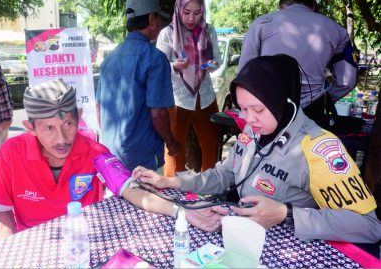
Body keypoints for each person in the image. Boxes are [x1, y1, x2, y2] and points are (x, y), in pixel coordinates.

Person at [133, 55, 381, 243]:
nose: (248, 119)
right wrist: (171, 182)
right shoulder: (254, 130)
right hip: (244, 242)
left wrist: (287, 214)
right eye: (243, 108)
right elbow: (225, 175)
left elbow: (370, 226)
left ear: (283, 102)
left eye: (258, 109)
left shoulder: (319, 148)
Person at [0, 80, 224, 239]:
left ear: (79, 117)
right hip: (33, 242)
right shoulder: (10, 153)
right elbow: (1, 211)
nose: (62, 138)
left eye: (68, 123)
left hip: (81, 243)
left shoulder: (93, 151)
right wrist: (13, 249)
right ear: (30, 128)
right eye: (49, 128)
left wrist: (181, 211)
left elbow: (135, 192)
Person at [237, 0, 357, 130]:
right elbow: (347, 81)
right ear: (313, 5)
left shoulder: (262, 23)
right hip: (311, 110)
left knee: (264, 150)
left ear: (282, 5)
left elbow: (244, 73)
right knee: (307, 150)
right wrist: (324, 99)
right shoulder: (337, 30)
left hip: (267, 107)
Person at [96, 0, 180, 172]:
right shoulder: (155, 58)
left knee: (118, 200)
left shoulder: (109, 59)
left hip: (111, 154)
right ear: (151, 18)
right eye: (159, 18)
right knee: (147, 199)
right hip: (143, 157)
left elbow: (99, 107)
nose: (160, 24)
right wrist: (172, 144)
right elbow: (158, 113)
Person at [156, 0, 221, 177]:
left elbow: (217, 60)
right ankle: (173, 187)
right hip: (177, 97)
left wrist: (211, 65)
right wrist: (174, 66)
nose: (192, 18)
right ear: (178, 10)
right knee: (174, 145)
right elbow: (158, 67)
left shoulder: (208, 31)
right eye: (187, 12)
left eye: (197, 12)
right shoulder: (167, 33)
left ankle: (210, 183)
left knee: (211, 140)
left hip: (205, 95)